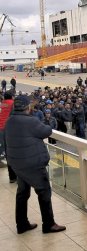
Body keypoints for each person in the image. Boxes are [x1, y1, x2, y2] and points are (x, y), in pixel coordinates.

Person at [5, 95, 66, 234]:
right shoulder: (30, 121)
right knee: (44, 192)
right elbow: (47, 131)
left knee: (22, 193)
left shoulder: (10, 121)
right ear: (27, 107)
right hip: (33, 164)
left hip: (18, 164)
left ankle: (21, 224)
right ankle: (49, 224)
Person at [0, 91, 17, 182]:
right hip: (8, 129)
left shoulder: (3, 104)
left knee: (7, 151)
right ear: (11, 97)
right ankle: (16, 176)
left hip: (1, 128)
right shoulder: (12, 103)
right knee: (14, 151)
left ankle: (12, 177)